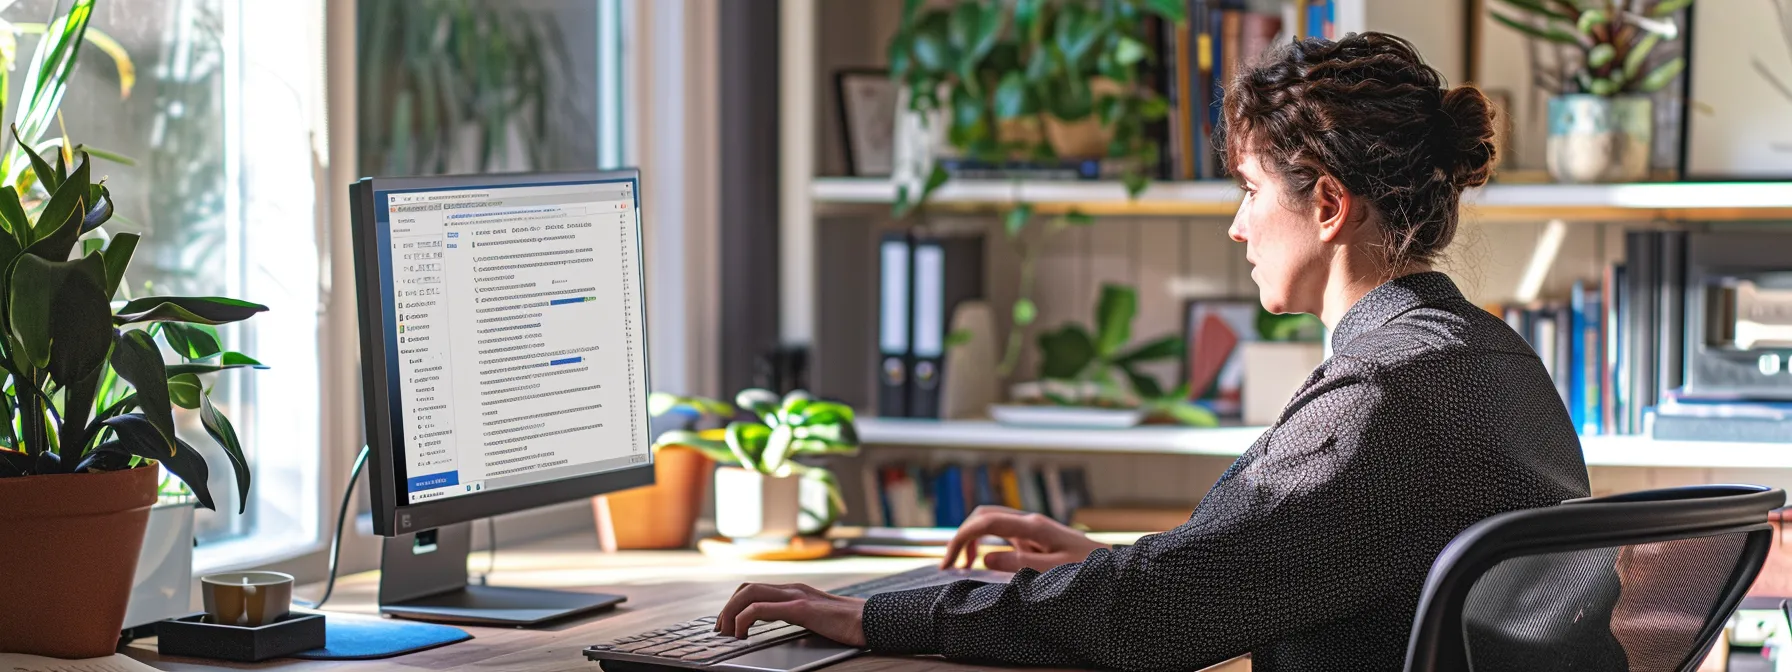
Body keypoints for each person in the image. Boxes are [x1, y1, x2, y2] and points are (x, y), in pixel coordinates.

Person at [715, 32, 1592, 671]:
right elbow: (1267, 564)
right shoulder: (1498, 361)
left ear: (1328, 205)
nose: (1237, 224)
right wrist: (1105, 566)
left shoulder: (1376, 402)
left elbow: (1161, 618)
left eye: (1250, 190)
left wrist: (878, 618)